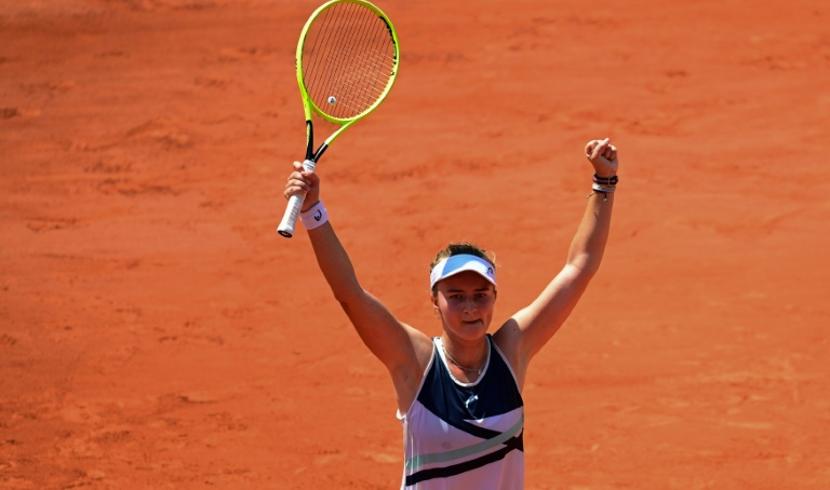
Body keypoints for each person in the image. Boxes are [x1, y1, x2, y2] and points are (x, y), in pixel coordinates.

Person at [282, 138, 619, 489]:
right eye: (455, 296)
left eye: (480, 294)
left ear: (494, 295)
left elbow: (579, 267)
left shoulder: (511, 350)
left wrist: (603, 183)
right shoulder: (415, 361)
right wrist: (313, 211)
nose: (470, 307)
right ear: (434, 300)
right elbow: (350, 294)